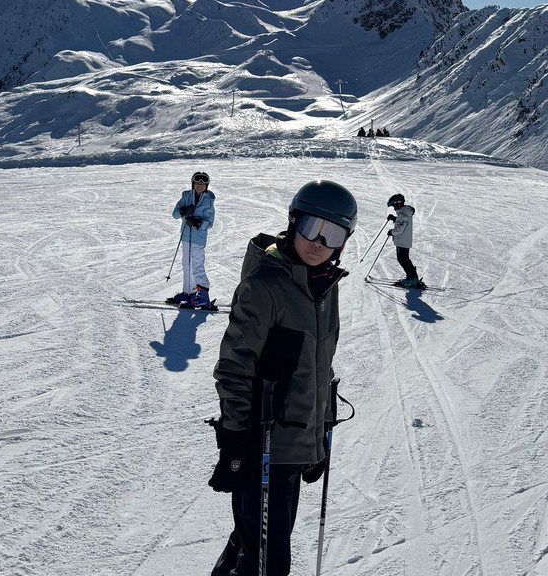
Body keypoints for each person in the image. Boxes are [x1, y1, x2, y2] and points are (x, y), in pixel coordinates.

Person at [208, 180, 357, 576]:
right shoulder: (265, 286)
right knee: (269, 564)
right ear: (294, 222)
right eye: (311, 227)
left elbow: (319, 368)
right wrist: (236, 441)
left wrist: (319, 434)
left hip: (294, 445)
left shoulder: (323, 286)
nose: (319, 242)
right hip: (264, 444)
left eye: (333, 234)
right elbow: (234, 368)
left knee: (253, 541)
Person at [169, 171, 216, 308]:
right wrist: (183, 211)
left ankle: (203, 296)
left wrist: (198, 222)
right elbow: (174, 214)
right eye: (197, 183)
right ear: (193, 184)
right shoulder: (186, 196)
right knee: (186, 265)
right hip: (185, 237)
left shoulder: (208, 201)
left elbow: (210, 222)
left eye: (202, 184)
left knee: (197, 266)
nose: (199, 186)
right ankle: (189, 292)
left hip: (198, 239)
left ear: (206, 186)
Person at [386, 193, 420, 287]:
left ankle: (412, 278)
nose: (394, 208)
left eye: (394, 206)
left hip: (402, 241)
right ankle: (412, 277)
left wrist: (392, 232)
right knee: (404, 259)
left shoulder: (403, 214)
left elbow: (399, 229)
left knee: (403, 259)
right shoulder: (404, 212)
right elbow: (401, 222)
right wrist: (394, 218)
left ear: (398, 204)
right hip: (404, 240)